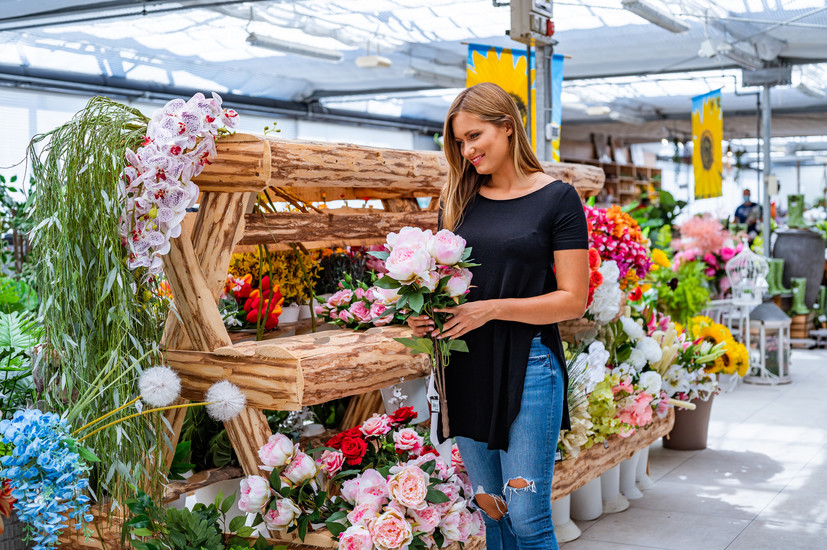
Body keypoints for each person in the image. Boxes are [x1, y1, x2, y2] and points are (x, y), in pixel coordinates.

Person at [407, 82, 589, 550]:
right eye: (459, 141)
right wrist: (421, 317)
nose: (466, 150)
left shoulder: (558, 199)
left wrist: (492, 309)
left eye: (474, 136)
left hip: (529, 366)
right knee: (492, 512)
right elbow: (439, 286)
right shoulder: (457, 202)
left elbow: (573, 299)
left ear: (507, 128)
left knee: (527, 516)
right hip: (466, 366)